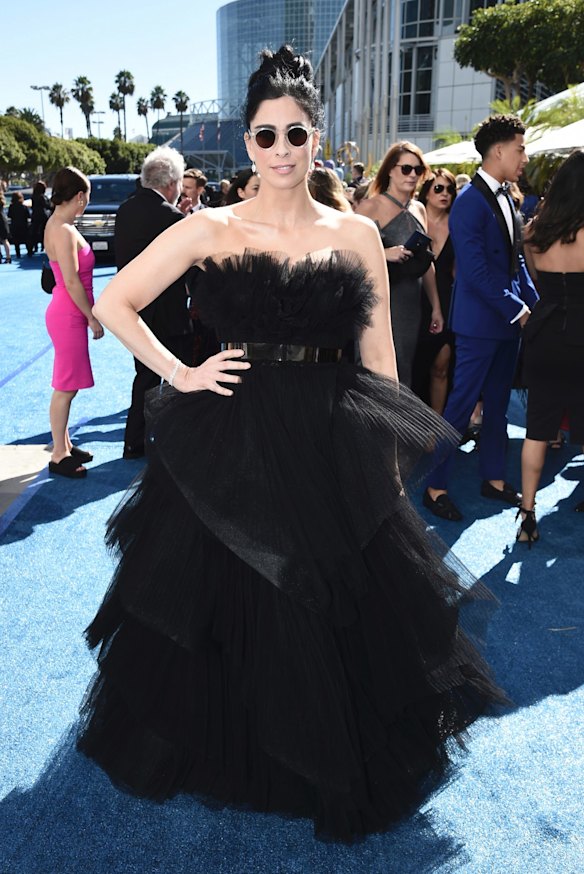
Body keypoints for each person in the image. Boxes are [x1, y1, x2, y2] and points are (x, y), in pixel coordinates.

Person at [77, 45, 502, 842]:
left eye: (296, 135)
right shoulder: (211, 225)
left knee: (330, 602)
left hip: (331, 434)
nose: (281, 151)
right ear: (247, 143)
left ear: (317, 137)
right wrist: (182, 373)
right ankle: (239, 741)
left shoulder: (353, 235)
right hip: (233, 431)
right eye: (266, 136)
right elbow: (119, 302)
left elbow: (379, 360)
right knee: (230, 593)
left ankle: (321, 750)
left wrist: (387, 465)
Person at [423, 115, 539, 521]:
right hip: (478, 325)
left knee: (499, 406)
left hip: (505, 324)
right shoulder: (470, 201)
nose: (525, 157)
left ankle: (492, 479)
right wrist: (519, 309)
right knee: (458, 408)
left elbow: (514, 262)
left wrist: (534, 304)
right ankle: (435, 487)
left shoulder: (507, 198)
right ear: (500, 150)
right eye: (521, 149)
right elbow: (475, 271)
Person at [517, 149, 584, 544]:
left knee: (537, 429)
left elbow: (538, 281)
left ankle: (527, 514)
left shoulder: (534, 232)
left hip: (544, 334)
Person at [114, 146, 193, 460]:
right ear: (172, 183)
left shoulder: (126, 209)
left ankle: (135, 441)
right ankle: (174, 443)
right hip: (169, 313)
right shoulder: (170, 216)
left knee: (145, 377)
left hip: (134, 311)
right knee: (181, 375)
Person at [355, 141, 444, 387]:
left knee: (403, 367)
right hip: (378, 300)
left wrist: (436, 306)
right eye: (406, 169)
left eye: (418, 170)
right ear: (390, 170)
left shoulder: (419, 209)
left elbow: (427, 263)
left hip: (410, 303)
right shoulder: (369, 207)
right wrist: (383, 253)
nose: (413, 175)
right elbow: (347, 253)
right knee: (373, 369)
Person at [44, 167, 104, 479]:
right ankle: (58, 454)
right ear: (80, 196)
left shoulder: (59, 224)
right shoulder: (64, 230)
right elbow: (71, 281)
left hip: (66, 312)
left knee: (68, 384)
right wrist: (92, 316)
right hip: (69, 313)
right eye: (87, 197)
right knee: (65, 387)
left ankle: (64, 443)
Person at [413, 169, 457, 413]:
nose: (445, 194)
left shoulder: (457, 224)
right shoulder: (414, 219)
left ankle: (436, 425)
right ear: (427, 192)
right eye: (438, 188)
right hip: (416, 299)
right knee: (417, 365)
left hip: (448, 299)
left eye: (450, 189)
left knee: (442, 364)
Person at [8, 191, 32, 258]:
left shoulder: (11, 207)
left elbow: (9, 215)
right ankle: (29, 251)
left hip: (15, 225)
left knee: (16, 240)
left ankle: (18, 253)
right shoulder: (24, 207)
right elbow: (28, 215)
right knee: (27, 239)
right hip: (23, 225)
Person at [31, 180, 51, 252]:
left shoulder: (34, 196)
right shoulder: (42, 197)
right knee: (43, 231)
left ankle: (35, 246)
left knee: (35, 231)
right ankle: (43, 246)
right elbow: (47, 206)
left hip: (35, 215)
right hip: (43, 215)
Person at [0, 190, 10, 263]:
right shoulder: (2, 200)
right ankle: (8, 257)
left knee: (4, 240)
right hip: (2, 220)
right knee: (4, 240)